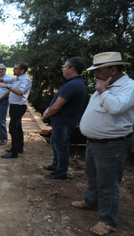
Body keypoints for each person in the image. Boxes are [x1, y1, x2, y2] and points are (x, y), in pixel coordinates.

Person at [70, 52, 133, 235]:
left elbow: (116, 108)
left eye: (99, 70)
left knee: (108, 184)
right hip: (95, 142)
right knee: (92, 176)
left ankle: (107, 221)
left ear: (113, 69)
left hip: (111, 145)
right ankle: (91, 201)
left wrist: (103, 91)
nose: (95, 74)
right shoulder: (104, 85)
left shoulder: (129, 87)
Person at [42, 57, 86, 180]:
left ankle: (61, 173)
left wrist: (46, 114)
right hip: (61, 121)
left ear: (72, 69)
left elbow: (57, 106)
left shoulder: (73, 85)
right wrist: (48, 109)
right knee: (55, 143)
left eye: (65, 67)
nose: (62, 69)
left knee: (61, 147)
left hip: (63, 122)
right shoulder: (73, 83)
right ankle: (55, 165)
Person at [0, 62, 32, 158]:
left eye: (16, 68)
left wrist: (7, 87)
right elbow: (4, 80)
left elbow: (20, 92)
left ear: (22, 71)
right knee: (18, 128)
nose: (13, 70)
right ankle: (19, 147)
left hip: (19, 106)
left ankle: (14, 151)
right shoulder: (16, 79)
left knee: (12, 128)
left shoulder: (25, 80)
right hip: (14, 106)